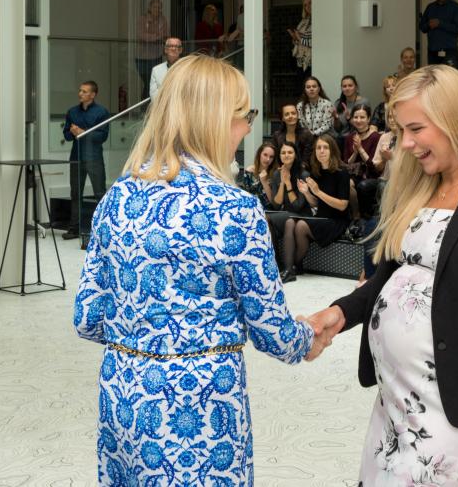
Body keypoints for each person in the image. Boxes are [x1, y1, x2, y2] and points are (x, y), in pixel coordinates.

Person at [73, 55, 330, 486]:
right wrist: (309, 337)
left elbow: (86, 318)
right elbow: (272, 331)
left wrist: (143, 342)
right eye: (244, 116)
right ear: (214, 120)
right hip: (202, 407)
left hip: (123, 397)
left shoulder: (117, 198)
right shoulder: (236, 209)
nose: (246, 128)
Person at [307, 64, 458, 486]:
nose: (407, 143)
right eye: (402, 130)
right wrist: (340, 313)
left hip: (456, 401)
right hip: (396, 398)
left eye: (416, 129)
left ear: (454, 120)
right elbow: (389, 277)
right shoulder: (421, 185)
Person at [280, 134, 351, 282]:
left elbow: (342, 205)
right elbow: (315, 204)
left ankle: (292, 267)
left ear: (332, 150)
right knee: (291, 222)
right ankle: (292, 267)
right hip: (321, 217)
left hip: (336, 221)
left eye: (325, 147)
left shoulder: (342, 172)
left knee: (301, 226)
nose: (321, 151)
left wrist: (318, 192)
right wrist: (306, 193)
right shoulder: (316, 172)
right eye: (318, 148)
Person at [62, 81, 110, 242]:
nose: (80, 94)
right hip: (76, 158)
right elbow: (67, 136)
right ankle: (74, 228)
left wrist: (83, 132)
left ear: (93, 94)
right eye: (80, 90)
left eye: (84, 91)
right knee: (75, 194)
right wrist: (72, 132)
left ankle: (103, 230)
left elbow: (102, 136)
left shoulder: (101, 112)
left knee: (99, 193)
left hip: (94, 158)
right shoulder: (72, 112)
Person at [266, 141, 311, 251]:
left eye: (290, 152)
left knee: (274, 219)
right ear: (279, 156)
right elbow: (276, 205)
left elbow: (297, 206)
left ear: (295, 155)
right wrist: (282, 182)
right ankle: (276, 258)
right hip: (286, 215)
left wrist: (288, 183)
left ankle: (281, 261)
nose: (286, 155)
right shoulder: (277, 174)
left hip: (302, 216)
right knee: (281, 221)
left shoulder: (303, 174)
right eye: (283, 153)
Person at [342, 103, 382, 219]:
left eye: (362, 117)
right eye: (356, 117)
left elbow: (373, 166)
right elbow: (347, 163)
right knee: (346, 182)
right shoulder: (349, 137)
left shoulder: (376, 137)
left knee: (357, 184)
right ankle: (356, 215)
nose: (358, 120)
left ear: (368, 119)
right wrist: (355, 152)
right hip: (354, 173)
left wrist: (360, 148)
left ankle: (362, 216)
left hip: (370, 174)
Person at [418, 0, 458, 66]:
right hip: (432, 51)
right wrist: (428, 24)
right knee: (434, 74)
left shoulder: (456, 7)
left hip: (449, 51)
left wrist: (440, 23)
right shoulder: (430, 7)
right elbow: (422, 27)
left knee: (449, 75)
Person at [134, 0, 167, 98]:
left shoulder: (163, 20)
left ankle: (151, 105)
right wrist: (157, 36)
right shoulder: (142, 19)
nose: (157, 9)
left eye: (159, 7)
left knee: (155, 83)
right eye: (155, 7)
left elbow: (166, 35)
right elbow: (141, 35)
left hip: (156, 56)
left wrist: (151, 37)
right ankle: (146, 106)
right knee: (148, 83)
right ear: (150, 8)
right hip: (142, 57)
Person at [236, 141, 276, 209]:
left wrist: (264, 182)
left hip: (270, 211)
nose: (268, 159)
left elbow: (274, 203)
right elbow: (245, 195)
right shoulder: (249, 172)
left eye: (271, 157)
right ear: (259, 154)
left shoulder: (275, 173)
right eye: (265, 155)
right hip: (253, 209)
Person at [287, 0, 312, 84]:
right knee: (301, 86)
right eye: (305, 5)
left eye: (310, 3)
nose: (308, 7)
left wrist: (300, 38)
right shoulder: (303, 21)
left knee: (310, 86)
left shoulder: (319, 20)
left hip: (311, 60)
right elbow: (298, 40)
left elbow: (316, 42)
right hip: (300, 60)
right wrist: (295, 38)